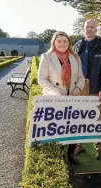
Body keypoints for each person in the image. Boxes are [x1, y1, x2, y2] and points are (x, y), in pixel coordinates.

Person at [38, 31, 85, 165]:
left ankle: (70, 155)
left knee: (72, 128)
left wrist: (78, 88)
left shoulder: (75, 57)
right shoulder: (47, 57)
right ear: (54, 43)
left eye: (65, 41)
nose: (62, 44)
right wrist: (56, 92)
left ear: (68, 43)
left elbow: (81, 77)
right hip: (54, 99)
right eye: (59, 41)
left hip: (71, 98)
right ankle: (58, 157)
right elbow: (41, 79)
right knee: (56, 129)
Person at [74, 19, 101, 160]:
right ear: (84, 28)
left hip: (96, 87)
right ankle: (79, 146)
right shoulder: (78, 45)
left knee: (99, 119)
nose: (89, 29)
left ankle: (100, 148)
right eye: (87, 27)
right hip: (81, 88)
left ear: (96, 29)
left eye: (92, 27)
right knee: (80, 118)